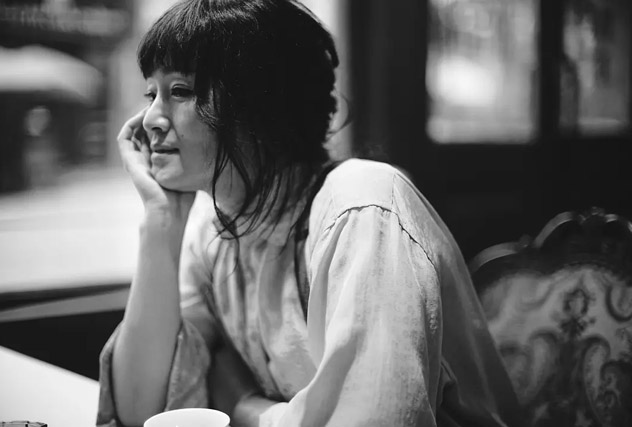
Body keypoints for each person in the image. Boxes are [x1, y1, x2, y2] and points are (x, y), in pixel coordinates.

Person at [97, 0, 522, 426]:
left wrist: (244, 406)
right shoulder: (213, 231)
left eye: (180, 91)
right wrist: (162, 221)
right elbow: (140, 409)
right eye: (151, 94)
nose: (149, 119)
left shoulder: (362, 208)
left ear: (261, 106)